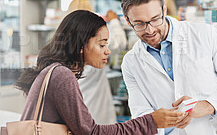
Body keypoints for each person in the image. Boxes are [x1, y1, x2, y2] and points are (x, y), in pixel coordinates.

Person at [120, 0, 217, 135]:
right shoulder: (131, 62)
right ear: (128, 21)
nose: (150, 29)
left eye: (155, 19)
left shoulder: (205, 35)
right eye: (139, 24)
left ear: (164, 9)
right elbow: (141, 115)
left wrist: (208, 105)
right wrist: (166, 120)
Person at [15, 10, 184, 134]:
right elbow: (91, 133)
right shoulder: (62, 75)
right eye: (102, 44)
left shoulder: (56, 71)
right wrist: (150, 121)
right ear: (81, 46)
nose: (107, 51)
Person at [66, 0, 117, 124]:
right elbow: (118, 43)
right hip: (97, 114)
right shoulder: (95, 42)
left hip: (76, 114)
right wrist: (115, 21)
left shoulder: (66, 41)